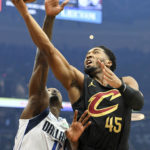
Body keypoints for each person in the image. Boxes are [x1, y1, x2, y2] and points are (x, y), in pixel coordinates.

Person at [12, 0, 144, 149]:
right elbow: (47, 50)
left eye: (95, 52)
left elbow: (138, 103)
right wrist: (26, 14)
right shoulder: (80, 83)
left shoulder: (126, 81)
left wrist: (120, 85)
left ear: (108, 63)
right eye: (87, 54)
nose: (89, 56)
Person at [13, 2, 91, 150]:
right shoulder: (36, 109)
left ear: (62, 105)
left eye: (56, 90)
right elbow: (43, 59)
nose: (53, 90)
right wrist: (49, 19)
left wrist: (74, 145)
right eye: (48, 90)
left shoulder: (67, 128)